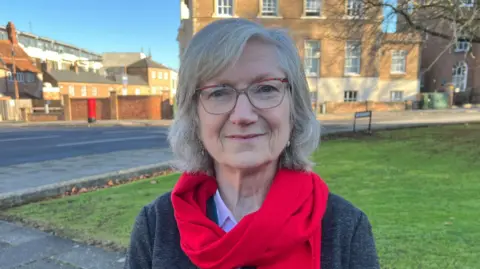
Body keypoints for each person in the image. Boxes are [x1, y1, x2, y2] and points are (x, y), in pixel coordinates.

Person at [124, 18, 379, 269]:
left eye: (266, 89)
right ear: (194, 116)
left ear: (294, 108)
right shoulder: (156, 226)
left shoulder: (345, 227)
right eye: (219, 92)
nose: (243, 115)